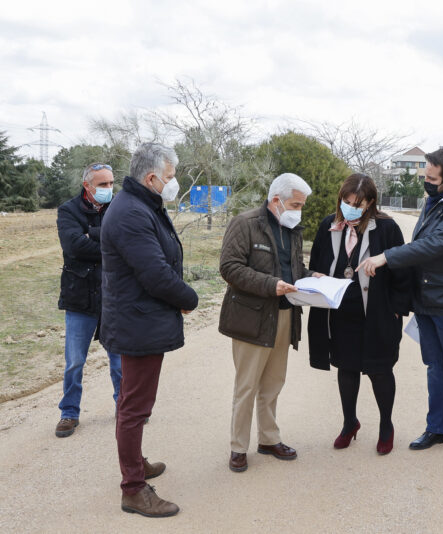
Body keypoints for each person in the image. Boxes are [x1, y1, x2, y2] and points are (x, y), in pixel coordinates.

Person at [357, 148, 443, 456]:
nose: (424, 181)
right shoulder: (434, 201)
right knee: (434, 367)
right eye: (424, 175)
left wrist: (386, 256)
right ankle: (436, 428)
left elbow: (431, 246)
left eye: (430, 177)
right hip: (426, 298)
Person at [100, 143, 198, 518]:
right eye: (171, 178)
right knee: (134, 407)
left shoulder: (140, 205)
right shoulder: (130, 212)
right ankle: (133, 489)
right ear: (152, 177)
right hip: (136, 322)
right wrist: (187, 297)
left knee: (134, 402)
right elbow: (155, 272)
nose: (174, 184)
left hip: (139, 319)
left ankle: (135, 464)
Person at [219, 172, 318, 473]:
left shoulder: (293, 228)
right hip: (252, 317)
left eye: (301, 205)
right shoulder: (245, 223)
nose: (298, 210)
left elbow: (292, 266)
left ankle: (268, 439)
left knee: (273, 383)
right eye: (295, 203)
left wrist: (311, 276)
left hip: (285, 314)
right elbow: (229, 267)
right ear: (276, 200)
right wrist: (270, 284)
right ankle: (238, 447)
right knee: (247, 385)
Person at [308, 174, 412, 455]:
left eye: (358, 203)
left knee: (380, 370)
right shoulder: (328, 225)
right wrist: (314, 274)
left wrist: (396, 310)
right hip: (341, 312)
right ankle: (349, 422)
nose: (350, 207)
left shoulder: (387, 228)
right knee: (346, 367)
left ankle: (386, 426)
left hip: (378, 312)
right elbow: (316, 262)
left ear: (370, 203)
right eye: (346, 201)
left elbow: (402, 270)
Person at [55, 162, 121, 438]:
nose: (109, 189)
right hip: (79, 296)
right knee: (74, 361)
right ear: (87, 186)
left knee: (120, 360)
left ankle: (125, 409)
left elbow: (124, 242)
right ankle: (69, 412)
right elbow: (73, 246)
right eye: (102, 184)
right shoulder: (67, 211)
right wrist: (107, 244)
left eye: (111, 183)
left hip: (113, 295)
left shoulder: (118, 208)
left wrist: (91, 235)